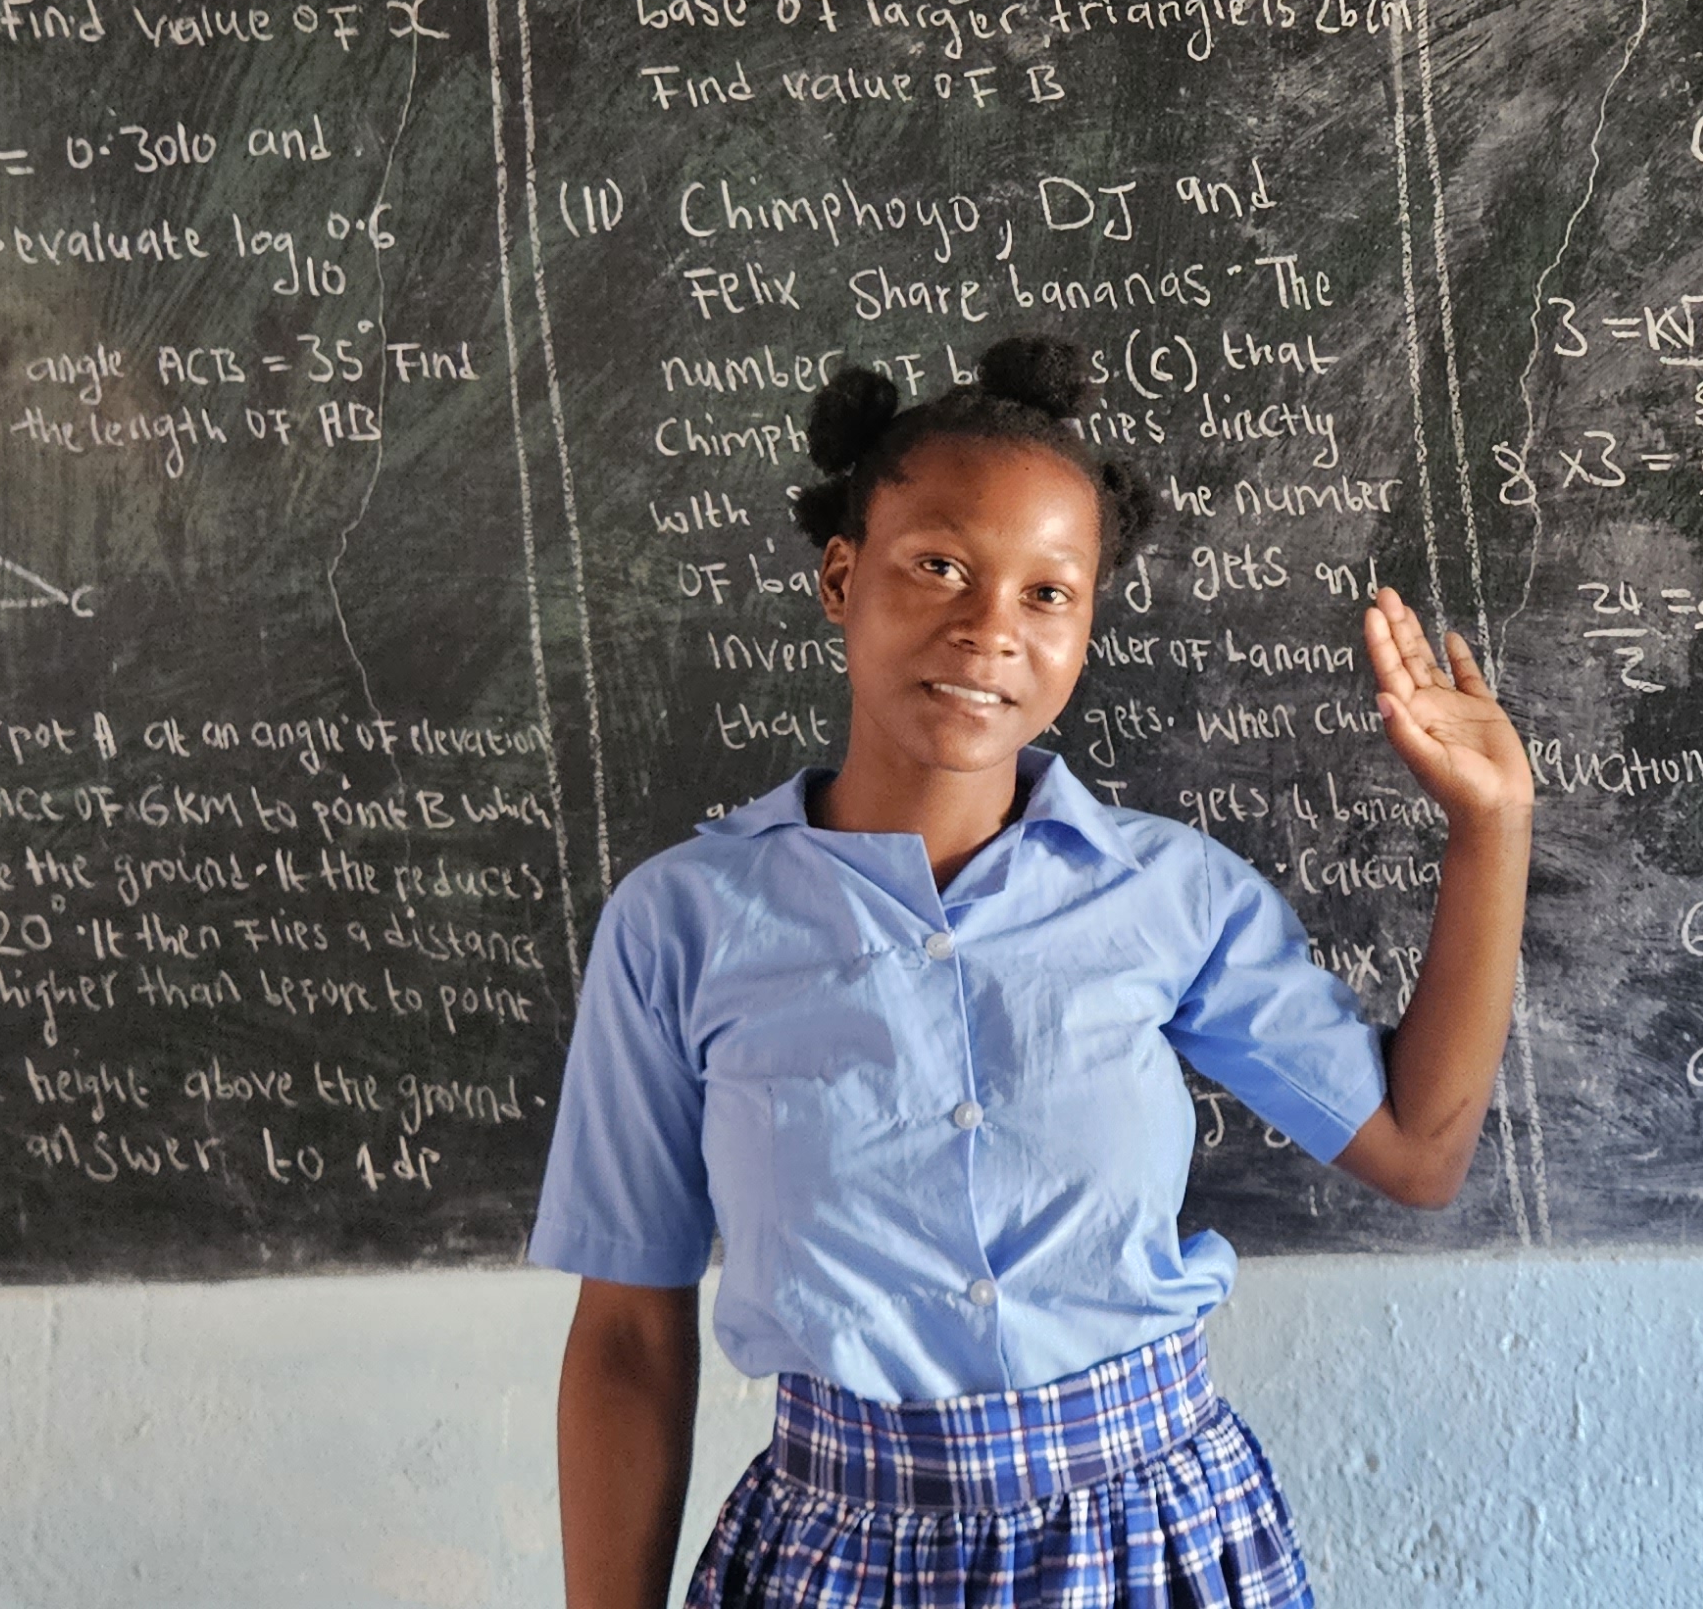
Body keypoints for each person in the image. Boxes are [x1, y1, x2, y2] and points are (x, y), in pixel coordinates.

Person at [533, 334, 1533, 1608]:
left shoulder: (1170, 896)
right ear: (841, 577)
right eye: (938, 566)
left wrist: (1491, 826)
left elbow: (1417, 1152)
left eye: (1048, 593)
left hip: (1149, 1545)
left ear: (1086, 624)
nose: (988, 629)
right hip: (839, 1555)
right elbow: (628, 1333)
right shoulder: (682, 924)